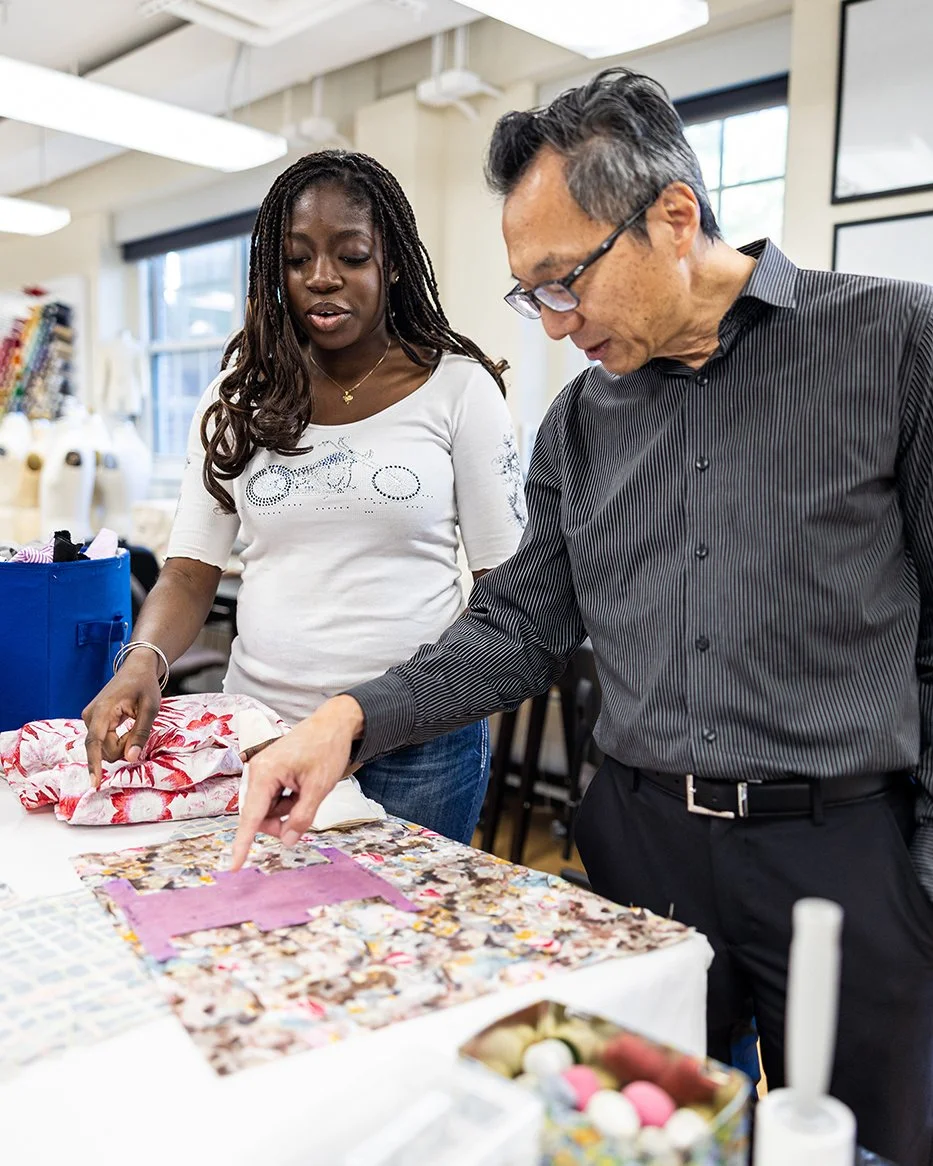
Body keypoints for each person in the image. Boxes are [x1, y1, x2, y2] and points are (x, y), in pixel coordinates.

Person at [234, 72, 933, 1164]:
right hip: (644, 850)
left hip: (842, 853)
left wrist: (919, 872)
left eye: (565, 281)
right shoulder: (582, 422)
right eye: (531, 295)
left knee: (848, 1141)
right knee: (622, 1139)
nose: (557, 323)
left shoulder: (894, 344)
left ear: (672, 217)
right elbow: (515, 623)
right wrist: (348, 718)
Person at [82, 149, 526, 846]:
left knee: (404, 937)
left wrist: (414, 701)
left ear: (394, 262)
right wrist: (142, 661)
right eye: (296, 260)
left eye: (350, 255)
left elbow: (504, 587)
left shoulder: (459, 389)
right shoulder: (240, 396)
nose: (321, 278)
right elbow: (192, 569)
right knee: (272, 932)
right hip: (263, 730)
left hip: (416, 746)